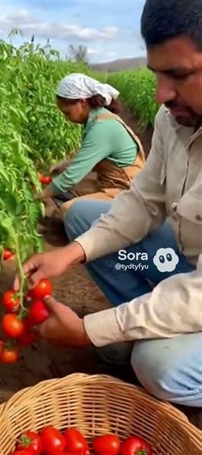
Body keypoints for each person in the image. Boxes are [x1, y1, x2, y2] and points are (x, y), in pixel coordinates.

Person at [15, 0, 202, 408]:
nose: (161, 94)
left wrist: (90, 330)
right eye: (156, 75)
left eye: (181, 75)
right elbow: (143, 200)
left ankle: (150, 345)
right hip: (190, 255)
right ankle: (136, 328)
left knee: (159, 365)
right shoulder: (175, 120)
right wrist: (70, 253)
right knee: (83, 217)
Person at [36, 73, 145, 219]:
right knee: (61, 189)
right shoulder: (98, 119)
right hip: (111, 185)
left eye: (67, 113)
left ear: (82, 102)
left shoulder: (102, 127)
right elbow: (90, 157)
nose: (66, 119)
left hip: (128, 194)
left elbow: (70, 178)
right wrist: (65, 165)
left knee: (69, 210)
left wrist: (37, 196)